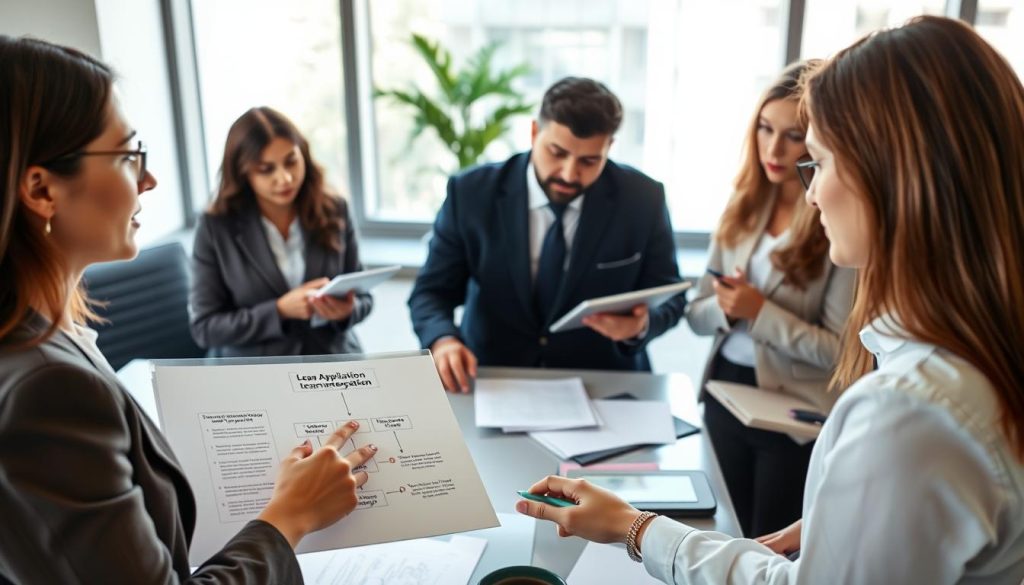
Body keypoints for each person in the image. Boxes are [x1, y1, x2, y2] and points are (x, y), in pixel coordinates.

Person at [515, 16, 1024, 583]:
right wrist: (850, 522)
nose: (811, 189)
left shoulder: (907, 414)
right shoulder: (969, 366)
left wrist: (636, 529)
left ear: (892, 178)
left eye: (821, 160)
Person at [0, 36, 377, 583]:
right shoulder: (47, 388)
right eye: (129, 156)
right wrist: (288, 518)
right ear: (41, 190)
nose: (148, 179)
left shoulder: (59, 335)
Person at [408, 77, 687, 392]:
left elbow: (671, 293)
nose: (569, 173)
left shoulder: (643, 198)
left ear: (609, 147)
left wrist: (641, 325)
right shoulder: (471, 193)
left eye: (589, 161)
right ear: (533, 132)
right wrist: (443, 340)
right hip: (493, 380)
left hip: (604, 383)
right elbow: (431, 292)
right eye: (557, 153)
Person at [685, 61, 855, 538]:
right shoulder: (741, 205)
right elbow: (695, 315)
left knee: (769, 543)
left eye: (793, 135)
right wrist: (725, 306)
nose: (774, 148)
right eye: (764, 128)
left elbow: (842, 352)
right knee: (721, 532)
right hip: (725, 392)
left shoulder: (835, 222)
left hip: (792, 410)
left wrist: (760, 313)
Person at [190, 107, 371, 357]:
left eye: (291, 161)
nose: (285, 178)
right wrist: (279, 311)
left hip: (330, 361)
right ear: (243, 173)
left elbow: (364, 297)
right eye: (266, 169)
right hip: (254, 372)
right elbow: (205, 328)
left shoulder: (335, 210)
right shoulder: (215, 227)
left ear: (303, 155)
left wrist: (347, 311)